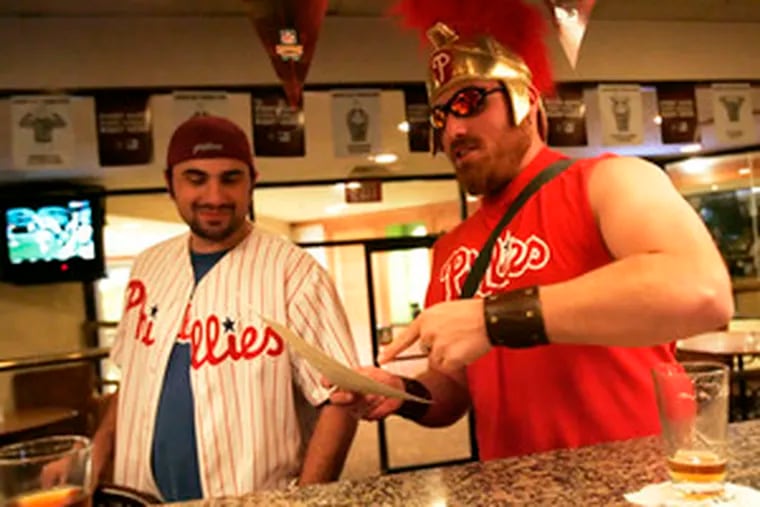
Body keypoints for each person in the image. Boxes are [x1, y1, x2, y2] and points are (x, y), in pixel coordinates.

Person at [328, 1, 734, 462]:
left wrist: (491, 318)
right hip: (518, 489)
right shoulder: (451, 248)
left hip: (638, 481)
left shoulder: (607, 182)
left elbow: (702, 291)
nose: (454, 129)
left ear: (526, 101)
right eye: (440, 117)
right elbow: (455, 388)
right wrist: (404, 391)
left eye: (469, 102)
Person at [51, 115, 359, 501]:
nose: (214, 196)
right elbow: (132, 381)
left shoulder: (294, 273)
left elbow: (342, 401)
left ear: (252, 182)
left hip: (254, 499)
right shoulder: (148, 265)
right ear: (170, 184)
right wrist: (93, 457)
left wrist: (307, 499)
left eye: (230, 178)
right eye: (196, 178)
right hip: (140, 497)